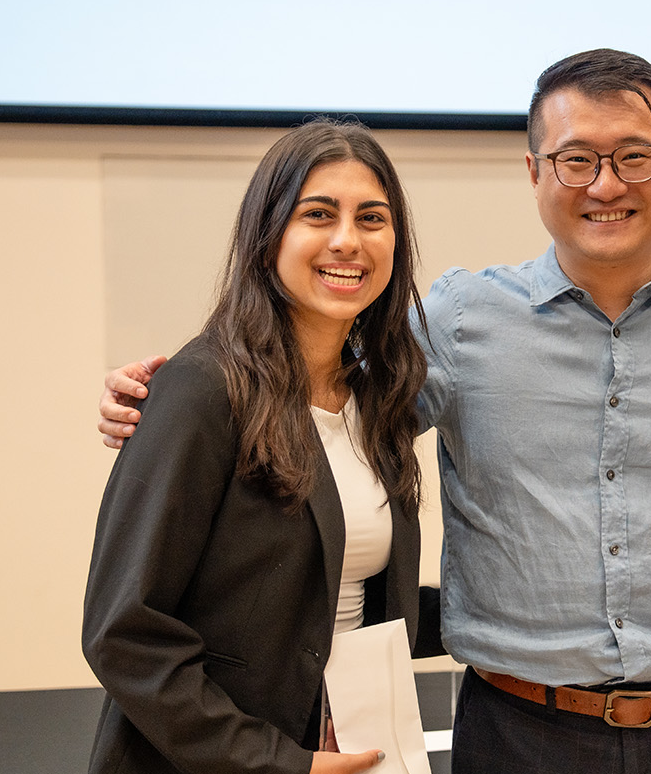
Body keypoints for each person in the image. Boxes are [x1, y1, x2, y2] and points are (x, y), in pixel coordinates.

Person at [98, 49, 651, 774]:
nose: (604, 184)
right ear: (534, 172)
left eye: (634, 156)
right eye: (575, 159)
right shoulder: (463, 321)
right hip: (517, 735)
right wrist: (164, 398)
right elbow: (308, 405)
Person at [83, 119, 430, 774]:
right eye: (318, 214)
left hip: (353, 746)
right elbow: (125, 633)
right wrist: (277, 763)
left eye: (372, 218)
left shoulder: (382, 393)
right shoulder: (200, 389)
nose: (347, 241)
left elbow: (345, 587)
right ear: (268, 232)